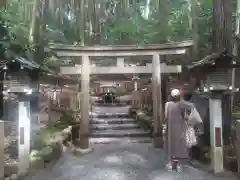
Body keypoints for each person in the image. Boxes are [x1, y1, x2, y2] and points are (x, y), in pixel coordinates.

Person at [164, 89, 189, 171]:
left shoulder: (167, 104)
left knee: (170, 144)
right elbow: (185, 117)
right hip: (179, 127)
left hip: (170, 128)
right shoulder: (182, 105)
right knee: (178, 145)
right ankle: (178, 165)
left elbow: (166, 116)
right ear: (179, 96)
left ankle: (171, 164)